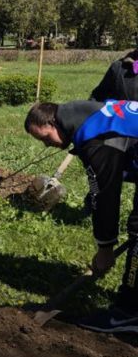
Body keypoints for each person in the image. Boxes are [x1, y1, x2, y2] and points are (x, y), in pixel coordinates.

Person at [24, 100, 138, 333]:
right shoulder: (94, 114)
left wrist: (105, 249)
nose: (48, 145)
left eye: (46, 138)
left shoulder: (98, 137)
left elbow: (105, 194)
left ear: (54, 122)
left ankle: (128, 315)